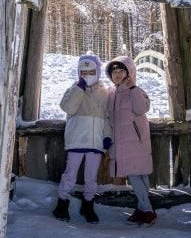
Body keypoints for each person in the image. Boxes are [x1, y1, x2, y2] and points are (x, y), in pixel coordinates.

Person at [52, 53, 111, 224]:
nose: (87, 75)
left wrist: (107, 137)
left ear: (97, 72)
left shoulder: (104, 92)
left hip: (95, 141)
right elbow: (67, 107)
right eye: (83, 72)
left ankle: (88, 206)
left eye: (91, 71)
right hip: (77, 139)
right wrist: (79, 87)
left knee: (91, 177)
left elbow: (106, 117)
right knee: (70, 174)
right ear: (79, 72)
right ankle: (61, 204)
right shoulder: (73, 89)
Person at [105, 55, 156, 226]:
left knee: (139, 174)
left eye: (121, 71)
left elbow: (142, 108)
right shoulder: (111, 93)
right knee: (135, 174)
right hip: (121, 142)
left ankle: (146, 210)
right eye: (114, 71)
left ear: (130, 72)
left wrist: (133, 88)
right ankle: (144, 209)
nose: (117, 74)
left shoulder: (136, 90)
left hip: (137, 140)